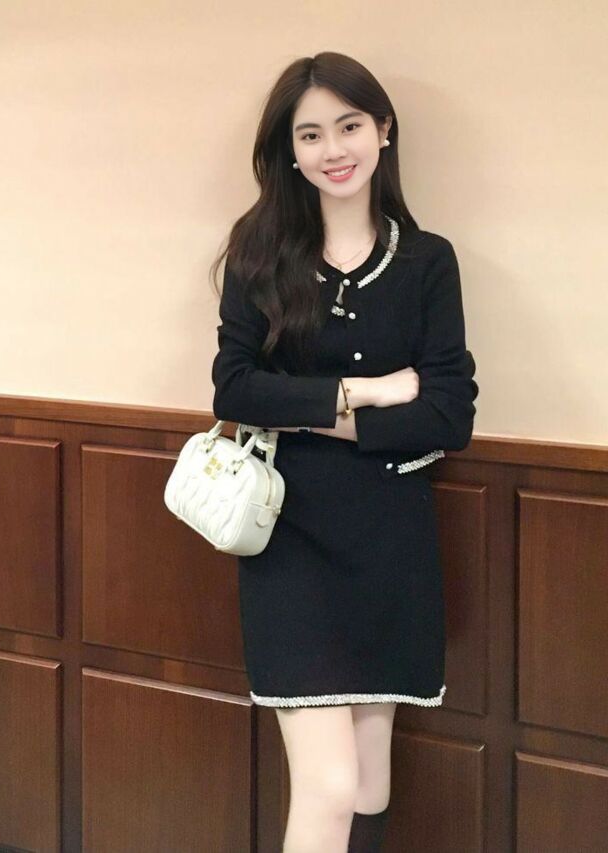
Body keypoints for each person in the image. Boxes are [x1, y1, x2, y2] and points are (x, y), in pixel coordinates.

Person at [210, 51, 478, 853]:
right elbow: (234, 389)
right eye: (311, 134)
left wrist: (310, 409)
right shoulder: (258, 251)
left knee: (368, 782)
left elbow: (448, 414)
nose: (333, 149)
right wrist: (367, 391)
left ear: (383, 130)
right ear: (290, 150)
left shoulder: (428, 261)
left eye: (350, 125)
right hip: (290, 538)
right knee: (327, 786)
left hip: (392, 540)